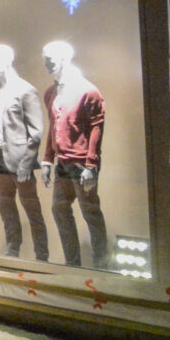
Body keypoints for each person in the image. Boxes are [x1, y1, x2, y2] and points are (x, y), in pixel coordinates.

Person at [43, 40, 108, 269]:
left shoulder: (88, 91)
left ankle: (102, 262)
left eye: (50, 59)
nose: (46, 63)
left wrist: (91, 165)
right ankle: (72, 261)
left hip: (82, 163)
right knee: (59, 208)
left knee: (90, 210)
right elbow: (53, 127)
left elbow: (96, 128)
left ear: (62, 59)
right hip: (63, 163)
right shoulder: (51, 93)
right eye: (45, 58)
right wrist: (47, 160)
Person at [0, 45, 48, 260]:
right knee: (5, 206)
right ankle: (13, 248)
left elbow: (36, 132)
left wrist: (27, 163)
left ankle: (42, 255)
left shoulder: (25, 90)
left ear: (7, 60)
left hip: (20, 159)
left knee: (32, 207)